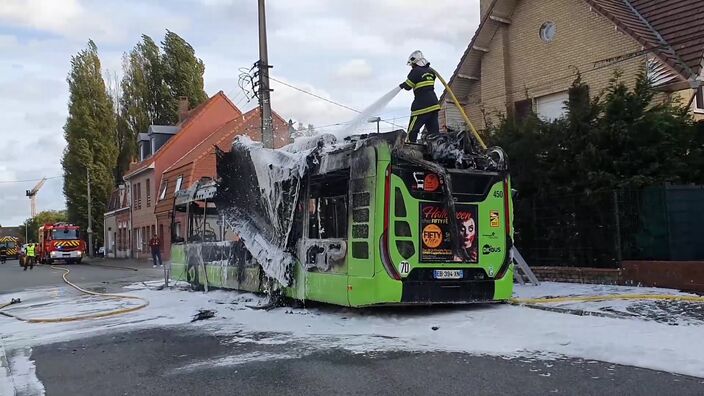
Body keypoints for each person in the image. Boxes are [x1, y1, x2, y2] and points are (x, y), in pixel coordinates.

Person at [399, 50, 441, 143]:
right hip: (434, 105)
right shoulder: (431, 71)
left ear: (414, 63)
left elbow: (408, 86)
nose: (411, 67)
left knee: (412, 131)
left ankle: (410, 150)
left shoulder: (415, 71)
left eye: (412, 65)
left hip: (421, 106)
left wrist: (402, 85)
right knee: (434, 133)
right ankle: (437, 151)